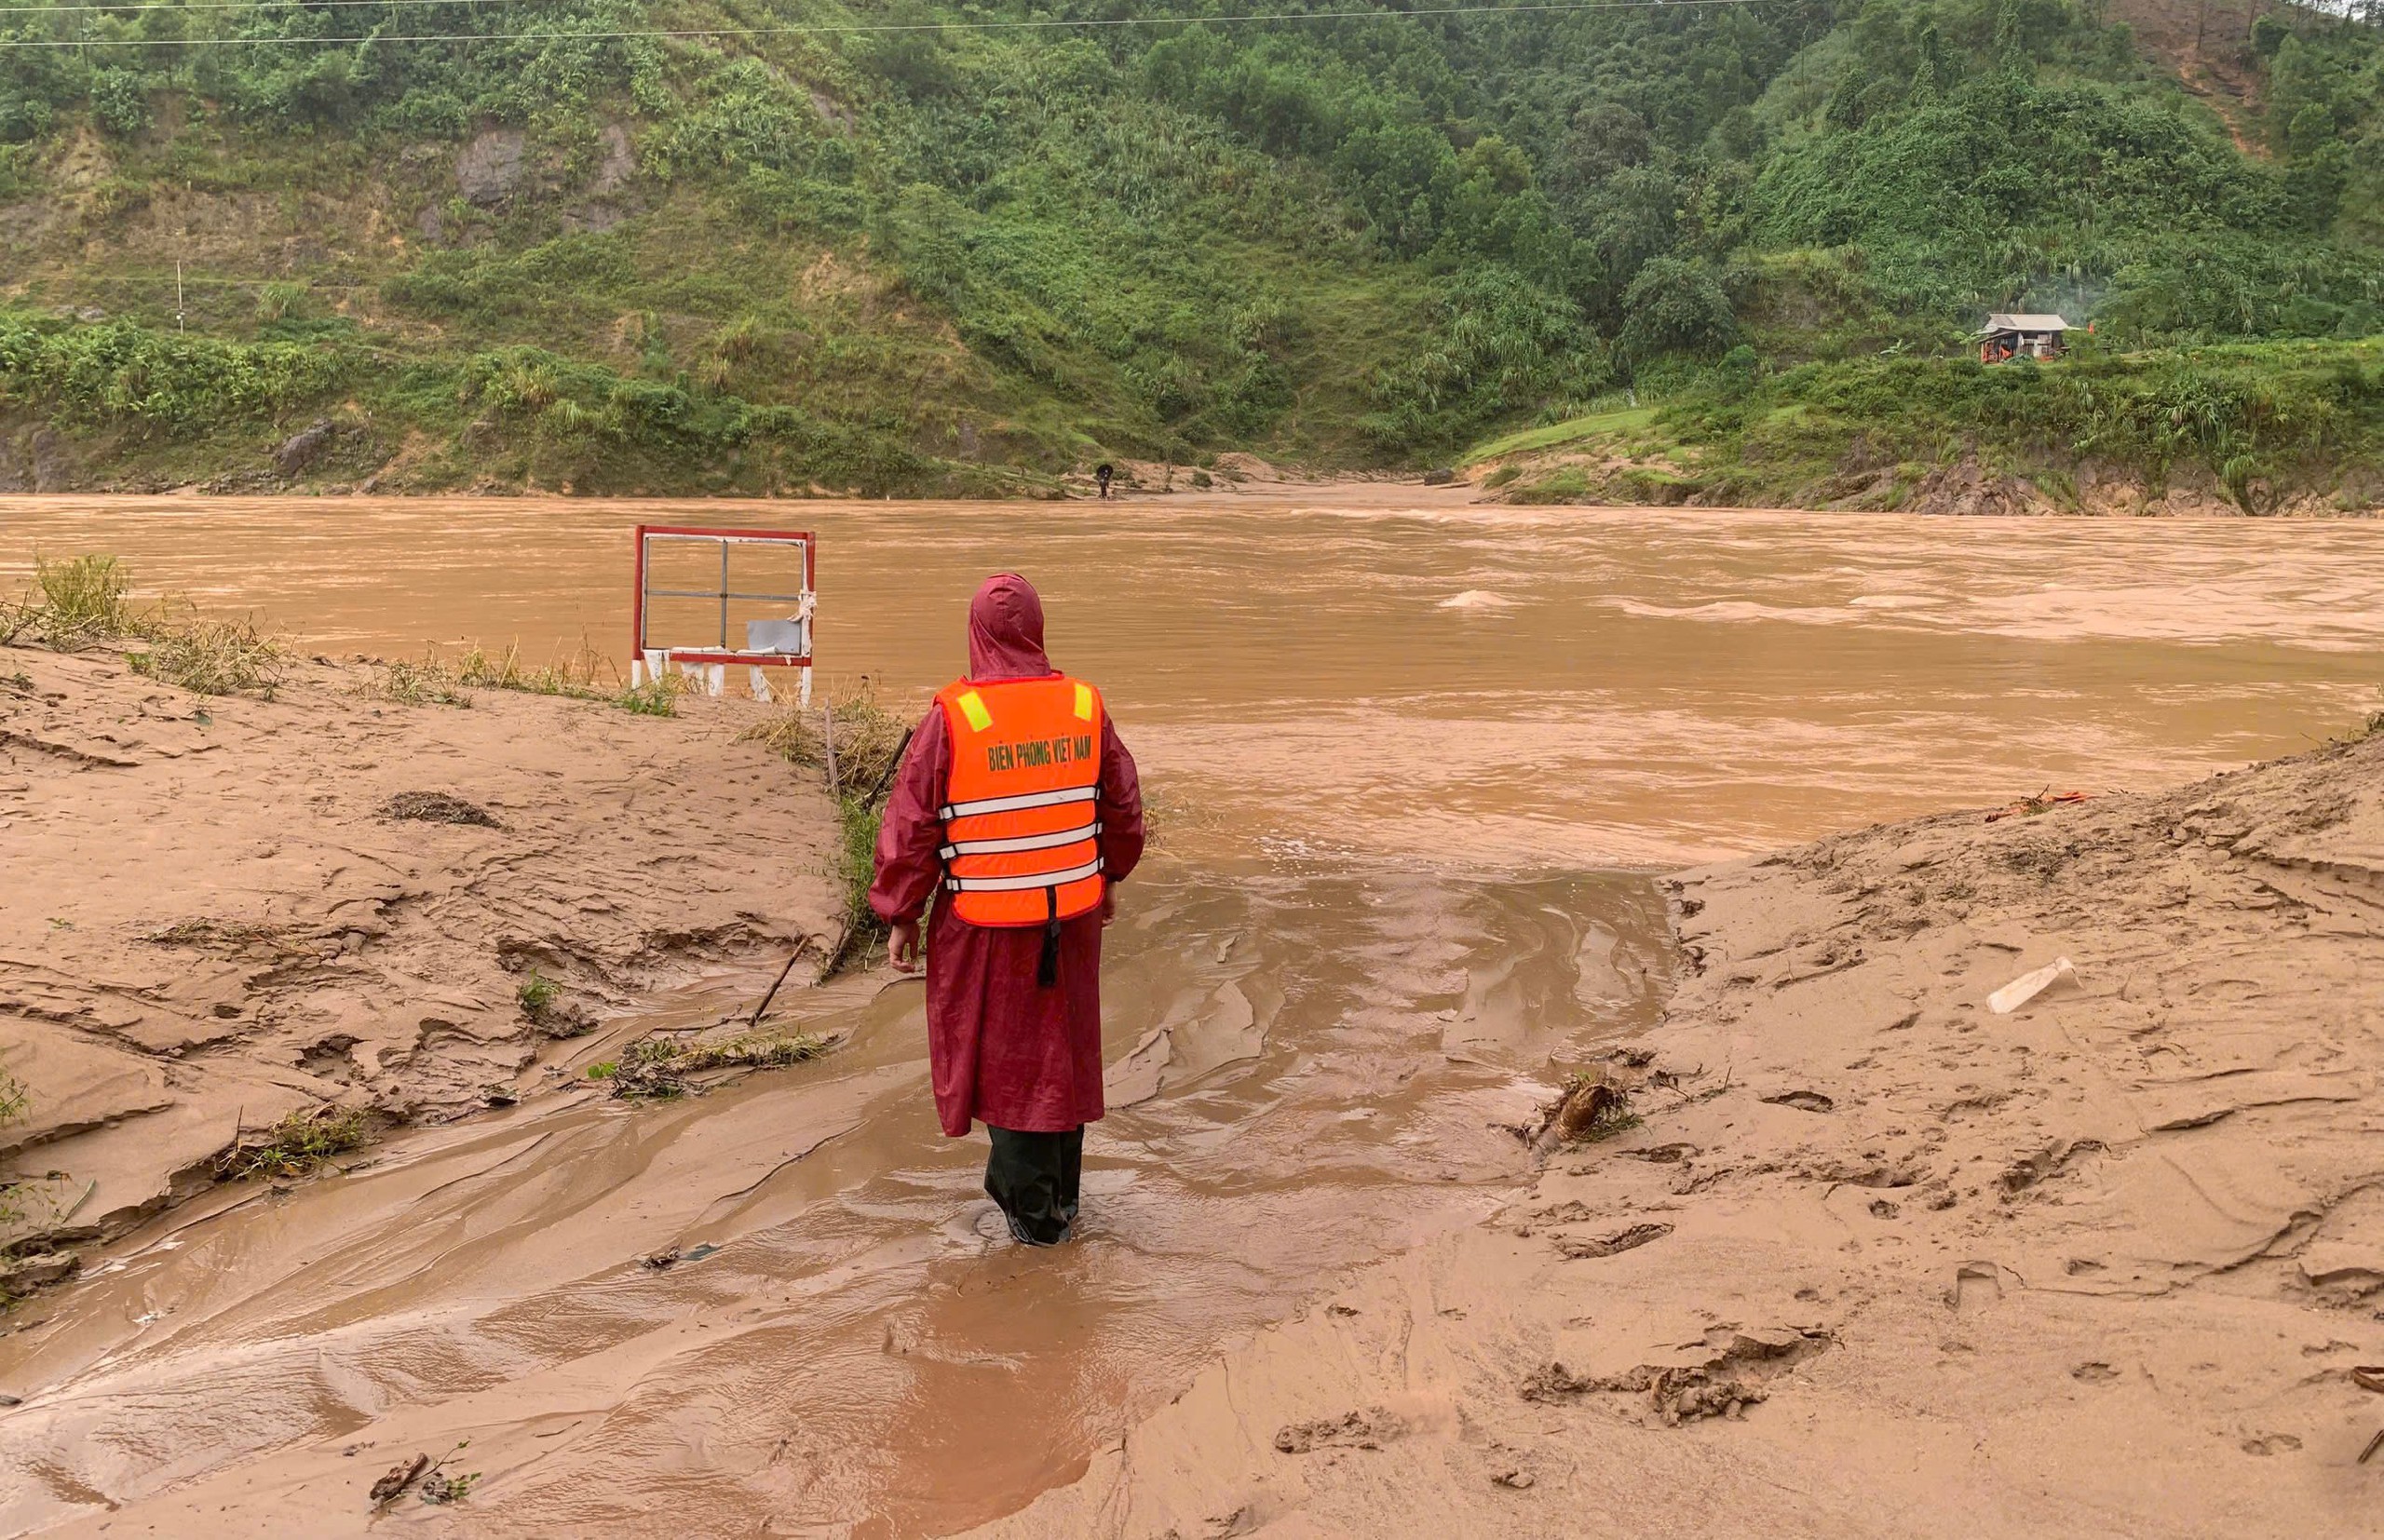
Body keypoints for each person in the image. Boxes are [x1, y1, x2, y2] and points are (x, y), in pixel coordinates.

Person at [869, 574, 1145, 1246]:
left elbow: (913, 826)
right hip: (1073, 919)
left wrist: (901, 912)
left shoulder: (955, 716)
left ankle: (1034, 1224)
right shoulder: (1083, 704)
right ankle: (1060, 1207)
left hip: (986, 929)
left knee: (1006, 1064)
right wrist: (1108, 875)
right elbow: (1123, 808)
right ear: (1037, 629)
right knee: (1062, 1055)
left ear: (976, 634)